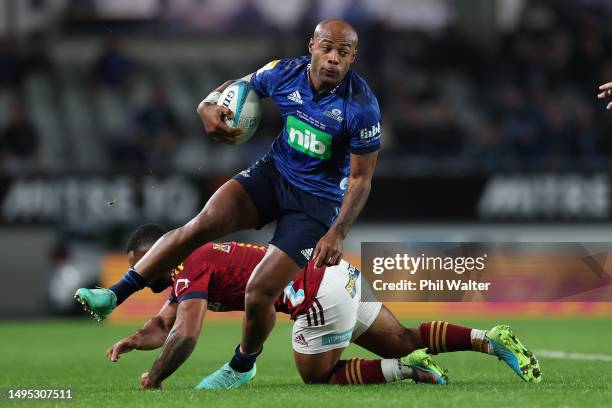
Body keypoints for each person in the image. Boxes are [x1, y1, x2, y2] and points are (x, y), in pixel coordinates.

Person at [76, 19, 381, 386]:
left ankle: (242, 365)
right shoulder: (283, 72)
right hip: (273, 175)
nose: (333, 58)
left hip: (315, 203)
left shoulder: (361, 107)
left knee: (259, 291)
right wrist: (207, 103)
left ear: (353, 57)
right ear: (312, 45)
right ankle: (113, 294)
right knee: (200, 225)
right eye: (327, 48)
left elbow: (362, 179)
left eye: (343, 53)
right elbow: (238, 87)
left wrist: (337, 232)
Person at [93, 224, 541, 389]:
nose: (141, 274)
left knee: (316, 375)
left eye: (142, 264)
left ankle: (408, 371)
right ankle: (489, 339)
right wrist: (133, 341)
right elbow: (164, 323)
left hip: (316, 295)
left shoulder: (188, 266)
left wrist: (155, 379)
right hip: (337, 273)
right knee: (401, 340)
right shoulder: (191, 265)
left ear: (160, 256)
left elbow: (186, 334)